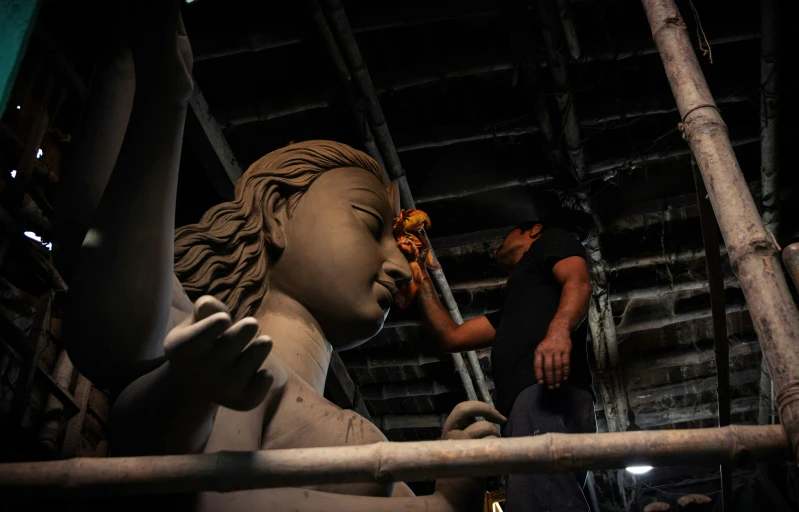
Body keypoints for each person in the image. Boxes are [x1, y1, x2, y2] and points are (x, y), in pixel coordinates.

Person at [61, 5, 505, 511]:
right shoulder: (209, 342)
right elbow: (95, 252)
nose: (401, 268)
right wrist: (152, 86)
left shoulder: (366, 439)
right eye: (369, 224)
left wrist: (443, 498)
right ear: (276, 213)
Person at [415, 219, 596, 512]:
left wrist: (559, 331)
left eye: (507, 236)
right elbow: (451, 336)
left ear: (533, 230)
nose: (498, 247)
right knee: (536, 498)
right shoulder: (518, 307)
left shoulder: (552, 238)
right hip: (528, 404)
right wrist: (419, 274)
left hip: (545, 390)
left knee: (542, 501)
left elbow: (578, 282)